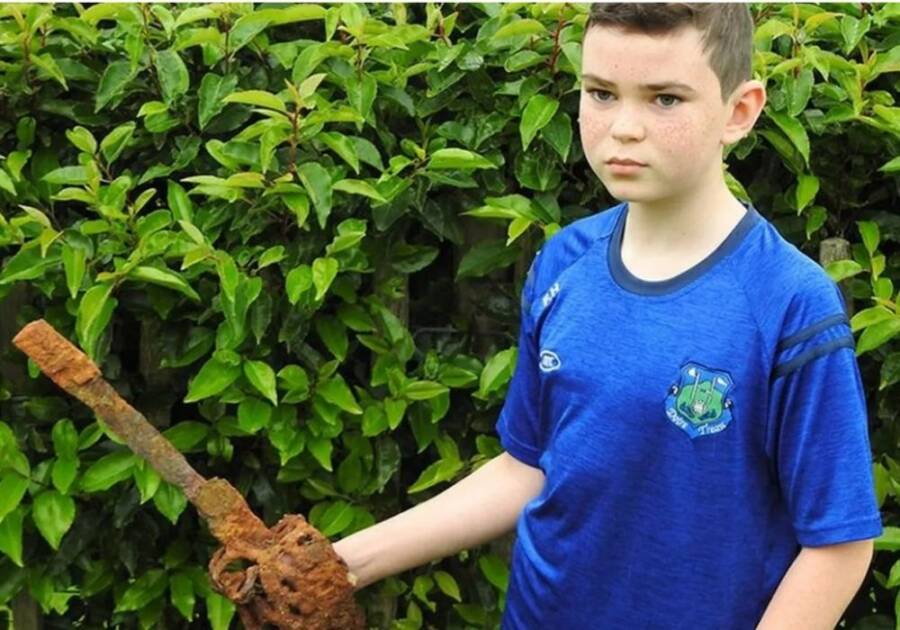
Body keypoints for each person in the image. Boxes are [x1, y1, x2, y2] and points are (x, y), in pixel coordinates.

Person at [334, 3, 883, 628]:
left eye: (665, 99)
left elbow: (838, 546)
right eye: (600, 93)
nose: (623, 128)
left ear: (739, 111)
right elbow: (527, 468)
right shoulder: (563, 261)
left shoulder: (788, 302)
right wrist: (341, 564)